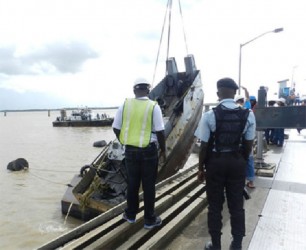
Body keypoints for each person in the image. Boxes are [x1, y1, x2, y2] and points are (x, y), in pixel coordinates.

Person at [195, 78, 256, 250]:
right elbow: (249, 144)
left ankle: (216, 245)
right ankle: (236, 244)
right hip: (237, 162)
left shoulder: (209, 115)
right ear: (235, 93)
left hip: (215, 164)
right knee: (237, 206)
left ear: (218, 93)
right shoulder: (248, 114)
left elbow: (204, 146)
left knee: (214, 206)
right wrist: (241, 161)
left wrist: (201, 169)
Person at [112, 77, 166, 229]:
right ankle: (149, 220)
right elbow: (161, 131)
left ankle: (130, 215)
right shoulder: (153, 106)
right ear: (148, 90)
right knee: (149, 186)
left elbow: (115, 127)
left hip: (130, 150)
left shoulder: (125, 104)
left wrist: (125, 141)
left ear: (134, 90)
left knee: (132, 184)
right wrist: (163, 150)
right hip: (149, 151)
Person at [235, 86, 255, 189]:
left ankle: (240, 182)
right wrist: (245, 89)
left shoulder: (234, 110)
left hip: (237, 141)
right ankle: (251, 181)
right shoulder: (247, 109)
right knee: (249, 160)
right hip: (248, 140)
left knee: (240, 161)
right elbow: (247, 97)